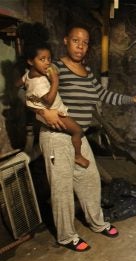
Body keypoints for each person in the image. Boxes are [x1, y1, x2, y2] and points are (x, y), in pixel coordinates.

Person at [35, 23, 136, 252]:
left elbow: (104, 94)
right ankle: (67, 236)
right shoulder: (53, 68)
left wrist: (133, 99)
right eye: (76, 40)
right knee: (62, 190)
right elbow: (29, 89)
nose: (80, 46)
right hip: (57, 137)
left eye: (85, 42)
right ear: (66, 41)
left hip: (79, 137)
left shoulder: (87, 73)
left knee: (90, 181)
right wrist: (42, 111)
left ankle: (96, 222)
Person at [22, 40, 90, 168]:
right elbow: (49, 101)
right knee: (77, 131)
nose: (47, 62)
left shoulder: (29, 75)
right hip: (56, 114)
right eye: (42, 59)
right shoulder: (39, 82)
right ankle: (78, 156)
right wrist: (55, 81)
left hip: (48, 114)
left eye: (49, 58)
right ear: (30, 61)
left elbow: (21, 81)